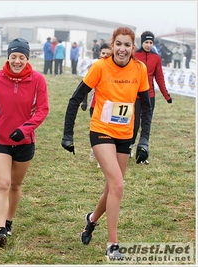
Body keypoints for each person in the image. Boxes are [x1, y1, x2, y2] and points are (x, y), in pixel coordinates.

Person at [61, 27, 152, 259]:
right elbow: (75, 99)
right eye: (118, 44)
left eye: (127, 45)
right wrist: (67, 134)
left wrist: (144, 140)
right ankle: (112, 244)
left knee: (113, 187)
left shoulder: (139, 69)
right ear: (112, 45)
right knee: (118, 185)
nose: (122, 49)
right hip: (101, 131)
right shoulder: (100, 67)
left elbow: (147, 108)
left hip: (125, 134)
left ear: (133, 48)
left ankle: (91, 220)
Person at [0, 38, 49, 247]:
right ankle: (1, 228)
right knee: (3, 184)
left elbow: (43, 110)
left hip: (24, 142)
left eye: (21, 57)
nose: (17, 61)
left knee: (15, 185)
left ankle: (9, 220)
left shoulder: (38, 80)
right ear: (8, 57)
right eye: (13, 56)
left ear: (27, 58)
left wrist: (24, 130)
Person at [131, 31, 172, 159]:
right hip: (135, 96)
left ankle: (143, 149)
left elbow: (159, 78)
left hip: (149, 96)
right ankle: (130, 145)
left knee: (146, 124)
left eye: (150, 43)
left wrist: (167, 96)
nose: (148, 45)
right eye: (146, 42)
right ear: (142, 42)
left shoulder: (156, 58)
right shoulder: (134, 56)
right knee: (134, 123)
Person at [80, 42, 112, 165]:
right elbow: (85, 86)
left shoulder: (114, 70)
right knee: (97, 131)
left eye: (108, 54)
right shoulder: (95, 67)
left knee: (107, 131)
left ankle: (105, 155)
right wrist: (84, 101)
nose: (105, 56)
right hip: (95, 106)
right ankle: (94, 150)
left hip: (109, 107)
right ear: (99, 53)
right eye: (103, 53)